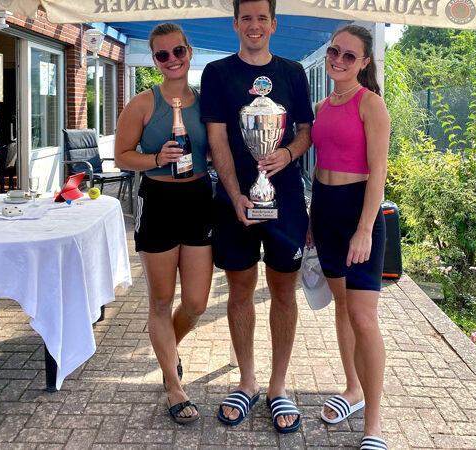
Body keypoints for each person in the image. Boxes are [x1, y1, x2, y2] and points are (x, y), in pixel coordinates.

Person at [200, 0, 314, 434]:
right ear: (234, 23)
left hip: (283, 199)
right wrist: (235, 196)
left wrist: (286, 152)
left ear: (273, 24)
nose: (254, 25)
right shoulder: (217, 73)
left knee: (284, 292)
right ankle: (246, 382)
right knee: (240, 289)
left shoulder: (293, 73)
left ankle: (278, 386)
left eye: (261, 18)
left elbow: (305, 131)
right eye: (246, 18)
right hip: (235, 205)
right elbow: (216, 138)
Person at [114, 23, 213, 425]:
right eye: (162, 55)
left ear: (189, 53)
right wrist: (156, 159)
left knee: (195, 303)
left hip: (199, 199)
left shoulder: (206, 103)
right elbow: (122, 156)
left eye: (178, 52)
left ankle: (168, 349)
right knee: (160, 300)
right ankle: (173, 385)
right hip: (158, 200)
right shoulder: (142, 103)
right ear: (154, 60)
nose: (172, 60)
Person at [309, 24, 391, 450]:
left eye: (349, 55)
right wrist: (310, 217)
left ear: (364, 62)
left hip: (358, 214)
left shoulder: (371, 104)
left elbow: (378, 172)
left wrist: (364, 229)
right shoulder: (322, 105)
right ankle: (352, 390)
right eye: (334, 52)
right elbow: (320, 165)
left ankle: (373, 425)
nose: (338, 60)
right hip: (323, 212)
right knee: (341, 307)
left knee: (363, 317)